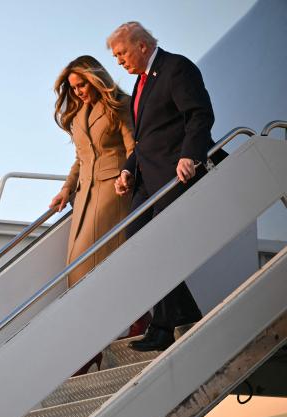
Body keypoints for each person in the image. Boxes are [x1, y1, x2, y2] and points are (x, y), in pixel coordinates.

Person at [108, 22, 214, 352]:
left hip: (174, 172)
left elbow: (199, 115)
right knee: (138, 245)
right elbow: (143, 140)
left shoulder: (176, 68)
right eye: (115, 56)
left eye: (122, 53)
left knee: (158, 245)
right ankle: (182, 313)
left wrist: (190, 155)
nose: (119, 61)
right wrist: (127, 170)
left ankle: (164, 325)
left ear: (142, 45)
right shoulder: (140, 83)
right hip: (145, 178)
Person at [49, 57, 151, 372]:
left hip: (113, 190)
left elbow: (134, 147)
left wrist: (127, 175)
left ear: (96, 79)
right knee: (76, 270)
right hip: (85, 197)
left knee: (98, 261)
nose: (78, 91)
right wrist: (66, 190)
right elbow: (80, 159)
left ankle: (126, 324)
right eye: (73, 87)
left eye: (82, 84)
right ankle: (95, 341)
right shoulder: (78, 116)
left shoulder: (119, 105)